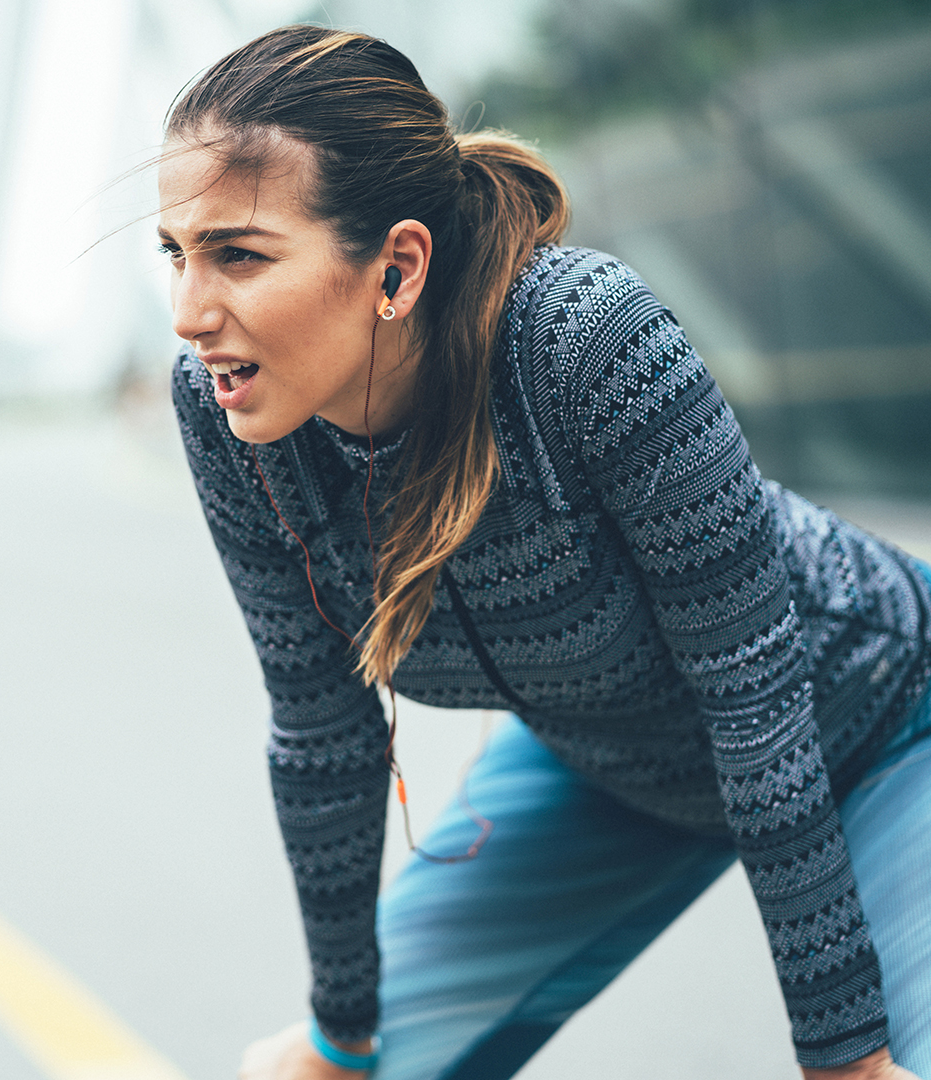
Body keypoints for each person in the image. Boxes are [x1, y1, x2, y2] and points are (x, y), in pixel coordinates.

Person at [159, 24, 931, 1080]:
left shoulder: (584, 345)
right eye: (175, 254)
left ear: (397, 264)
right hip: (607, 761)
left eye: (237, 255)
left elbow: (755, 701)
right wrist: (345, 1037)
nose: (189, 313)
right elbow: (322, 729)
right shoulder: (229, 419)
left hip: (884, 718)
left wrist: (843, 1057)